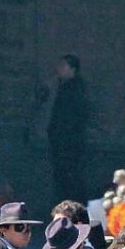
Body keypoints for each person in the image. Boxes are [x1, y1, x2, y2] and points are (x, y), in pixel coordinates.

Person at [46, 53, 90, 202]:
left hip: (68, 143)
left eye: (63, 66)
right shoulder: (63, 87)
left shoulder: (75, 89)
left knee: (69, 178)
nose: (59, 69)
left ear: (72, 69)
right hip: (62, 142)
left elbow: (70, 117)